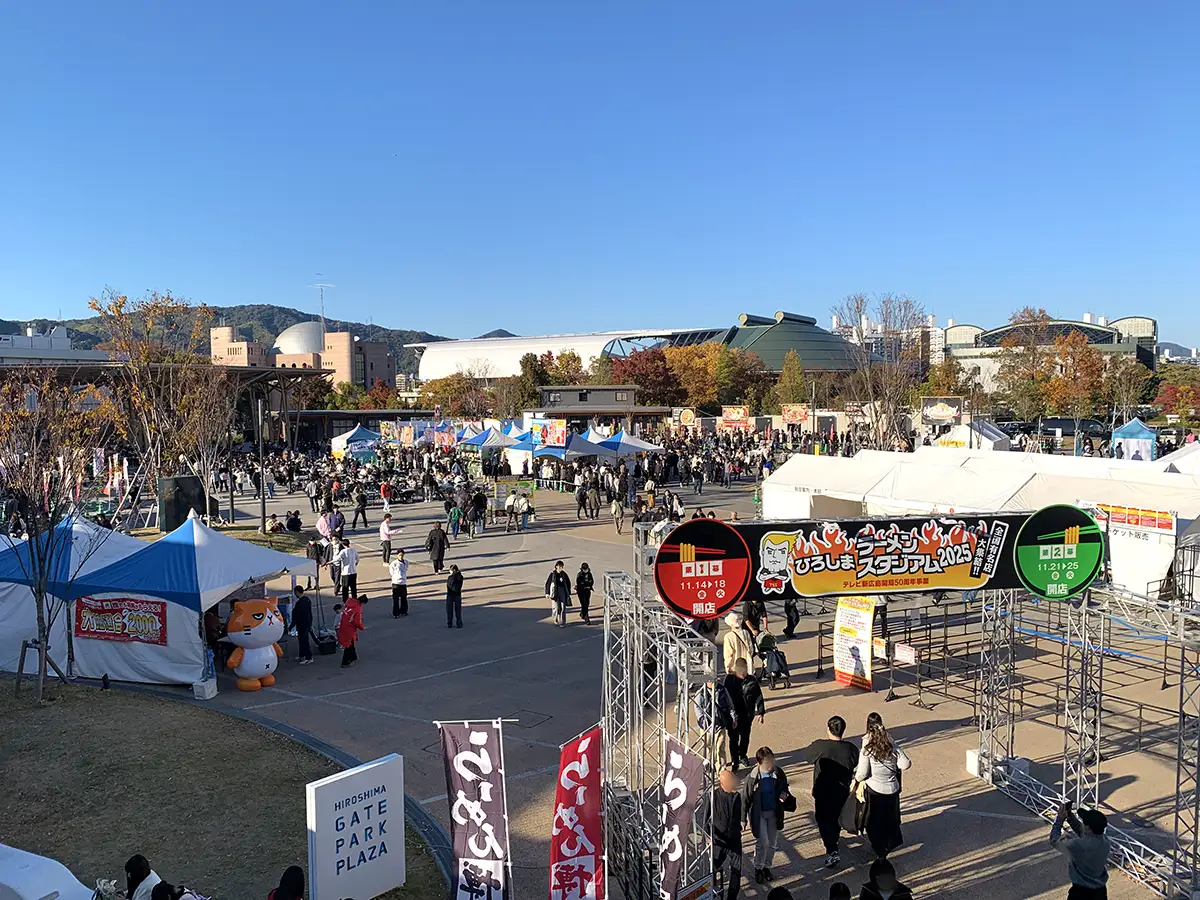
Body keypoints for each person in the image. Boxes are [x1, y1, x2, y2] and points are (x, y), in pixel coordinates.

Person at [853, 714, 911, 860]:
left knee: (874, 823)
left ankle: (879, 850)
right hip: (892, 789)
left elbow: (861, 774)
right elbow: (905, 764)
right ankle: (889, 844)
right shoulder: (890, 743)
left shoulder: (867, 747)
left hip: (875, 791)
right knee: (891, 820)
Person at [806, 715, 860, 868]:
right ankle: (834, 840)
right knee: (836, 819)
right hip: (841, 792)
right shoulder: (851, 749)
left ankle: (832, 849)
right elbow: (856, 764)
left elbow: (807, 757)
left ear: (828, 729)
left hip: (822, 793)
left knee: (823, 820)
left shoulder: (819, 746)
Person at [741, 746, 791, 885]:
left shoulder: (778, 772)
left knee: (772, 844)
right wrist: (742, 818)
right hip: (759, 814)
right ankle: (758, 867)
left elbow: (785, 787)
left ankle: (767, 867)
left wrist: (784, 794)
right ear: (759, 763)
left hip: (774, 813)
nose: (770, 765)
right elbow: (745, 797)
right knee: (763, 842)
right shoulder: (752, 778)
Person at [1051, 800, 1110, 900]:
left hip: (1080, 894)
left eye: (1084, 822)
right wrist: (1069, 815)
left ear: (1088, 827)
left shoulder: (1077, 845)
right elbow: (1083, 833)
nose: (1082, 824)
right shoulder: (1105, 841)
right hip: (1100, 892)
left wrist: (1059, 820)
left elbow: (1054, 841)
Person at [711, 767, 743, 900]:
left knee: (736, 871)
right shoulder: (713, 796)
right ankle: (717, 895)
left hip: (734, 839)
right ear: (723, 783)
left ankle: (732, 897)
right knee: (715, 869)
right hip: (719, 841)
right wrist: (709, 836)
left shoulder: (737, 796)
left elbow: (740, 812)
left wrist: (742, 821)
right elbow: (705, 818)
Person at [721, 659, 751, 770]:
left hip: (745, 715)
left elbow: (757, 695)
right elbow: (724, 696)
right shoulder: (729, 679)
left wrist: (760, 711)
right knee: (733, 739)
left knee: (745, 737)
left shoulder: (750, 679)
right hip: (732, 715)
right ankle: (735, 761)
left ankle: (742, 755)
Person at [337, 593, 366, 667]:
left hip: (344, 625)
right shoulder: (357, 608)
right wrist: (362, 627)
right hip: (350, 628)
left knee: (351, 642)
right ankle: (345, 662)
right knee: (348, 644)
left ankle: (353, 656)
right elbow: (357, 622)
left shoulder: (349, 603)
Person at [546, 560, 573, 628]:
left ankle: (562, 622)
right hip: (555, 591)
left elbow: (568, 583)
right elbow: (548, 583)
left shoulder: (564, 574)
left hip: (562, 591)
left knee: (563, 607)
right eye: (559, 566)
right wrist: (547, 593)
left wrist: (568, 593)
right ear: (556, 566)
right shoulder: (552, 574)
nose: (560, 567)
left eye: (561, 566)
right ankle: (555, 617)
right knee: (556, 607)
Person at [292, 585, 314, 665]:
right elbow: (309, 613)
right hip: (306, 623)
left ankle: (309, 657)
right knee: (302, 640)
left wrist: (291, 626)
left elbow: (297, 615)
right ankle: (302, 655)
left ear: (297, 592)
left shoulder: (300, 603)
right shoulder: (307, 600)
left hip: (302, 624)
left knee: (304, 641)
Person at [389, 549, 409, 618]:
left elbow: (406, 569)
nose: (401, 556)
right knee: (396, 599)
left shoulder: (406, 562)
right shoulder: (394, 563)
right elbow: (391, 572)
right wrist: (397, 577)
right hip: (396, 583)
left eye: (402, 555)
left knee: (404, 598)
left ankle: (403, 611)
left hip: (403, 583)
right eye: (400, 555)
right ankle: (396, 613)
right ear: (397, 555)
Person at [446, 564, 464, 628]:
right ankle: (459, 622)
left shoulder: (451, 578)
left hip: (450, 594)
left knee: (449, 609)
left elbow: (449, 585)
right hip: (458, 594)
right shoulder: (460, 577)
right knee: (458, 609)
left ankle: (449, 622)